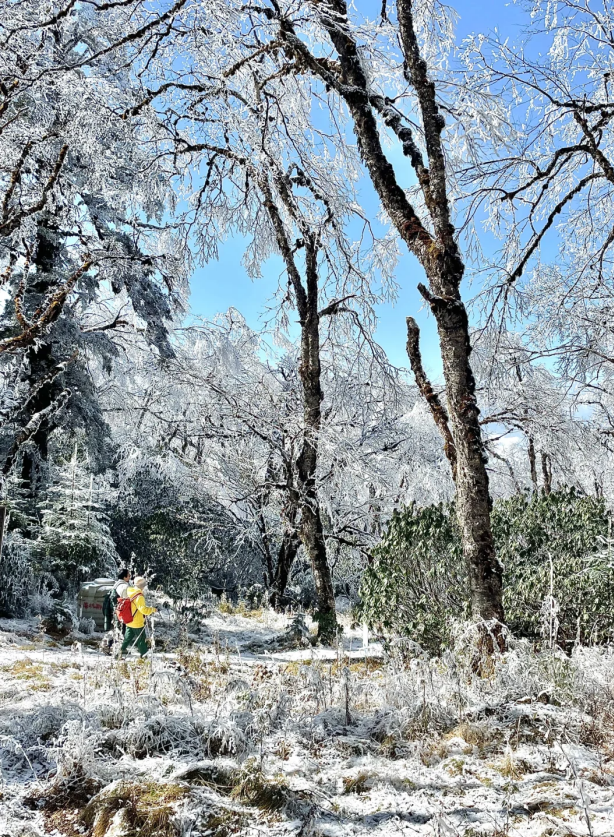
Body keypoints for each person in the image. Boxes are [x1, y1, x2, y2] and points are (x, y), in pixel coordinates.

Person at [119, 576, 157, 658]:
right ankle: (144, 655)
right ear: (143, 586)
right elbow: (143, 610)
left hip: (129, 619)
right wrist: (152, 610)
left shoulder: (129, 591)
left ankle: (120, 652)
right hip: (137, 622)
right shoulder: (139, 596)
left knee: (127, 638)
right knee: (141, 639)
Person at [102, 568, 131, 634]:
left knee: (116, 630)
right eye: (129, 575)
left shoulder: (117, 584)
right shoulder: (123, 586)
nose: (130, 577)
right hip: (121, 612)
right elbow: (126, 599)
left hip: (115, 610)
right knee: (121, 631)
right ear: (124, 577)